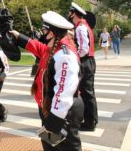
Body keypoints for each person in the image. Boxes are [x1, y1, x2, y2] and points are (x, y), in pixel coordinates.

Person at [10, 11, 83, 151]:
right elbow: (39, 48)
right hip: (49, 107)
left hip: (62, 112)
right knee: (50, 146)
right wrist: (19, 37)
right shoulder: (55, 47)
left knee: (67, 148)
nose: (42, 33)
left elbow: (64, 92)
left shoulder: (64, 56)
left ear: (51, 33)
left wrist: (54, 121)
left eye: (44, 30)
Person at [69, 2, 98, 131]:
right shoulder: (83, 25)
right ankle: (92, 120)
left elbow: (83, 49)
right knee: (89, 93)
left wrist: (75, 56)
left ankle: (90, 123)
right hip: (89, 61)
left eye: (70, 13)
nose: (69, 15)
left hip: (85, 61)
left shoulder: (80, 27)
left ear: (74, 13)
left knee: (86, 93)